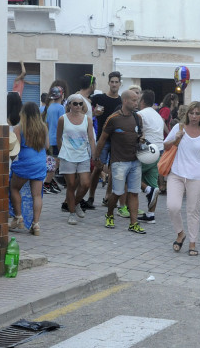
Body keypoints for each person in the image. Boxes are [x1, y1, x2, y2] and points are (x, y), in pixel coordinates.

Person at [94, 90, 146, 234]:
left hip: (135, 160)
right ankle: (109, 214)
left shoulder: (138, 117)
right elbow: (103, 140)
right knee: (117, 193)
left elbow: (141, 134)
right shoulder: (113, 118)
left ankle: (133, 223)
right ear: (125, 101)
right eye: (134, 100)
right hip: (118, 162)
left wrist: (141, 139)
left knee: (134, 192)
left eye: (137, 100)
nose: (136, 103)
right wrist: (97, 159)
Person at [165, 102, 200, 256]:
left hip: (197, 176)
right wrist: (175, 139)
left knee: (193, 210)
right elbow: (165, 147)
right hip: (176, 174)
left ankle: (192, 243)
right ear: (187, 114)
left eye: (197, 113)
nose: (194, 116)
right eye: (192, 113)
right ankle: (180, 233)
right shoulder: (179, 128)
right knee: (173, 206)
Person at [9, 102, 48, 236]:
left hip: (24, 164)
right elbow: (47, 145)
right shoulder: (43, 127)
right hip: (39, 163)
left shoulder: (19, 128)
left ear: (23, 114)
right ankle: (36, 225)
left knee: (14, 188)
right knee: (36, 195)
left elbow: (16, 148)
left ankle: (18, 217)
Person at [57, 94, 96, 225]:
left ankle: (76, 202)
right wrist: (62, 151)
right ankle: (72, 212)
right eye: (75, 103)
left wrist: (94, 155)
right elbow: (58, 137)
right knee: (71, 185)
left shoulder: (87, 119)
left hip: (83, 155)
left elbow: (91, 138)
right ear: (69, 105)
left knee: (85, 183)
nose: (78, 106)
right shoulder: (63, 119)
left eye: (81, 103)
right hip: (67, 155)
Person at [87, 71, 123, 208]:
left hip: (116, 140)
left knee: (114, 170)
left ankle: (108, 196)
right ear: (108, 83)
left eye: (116, 82)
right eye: (112, 82)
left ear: (120, 84)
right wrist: (93, 114)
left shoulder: (121, 101)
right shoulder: (99, 98)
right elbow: (84, 105)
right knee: (98, 168)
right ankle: (91, 196)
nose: (114, 84)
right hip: (102, 138)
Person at [137, 90, 165, 224]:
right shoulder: (157, 115)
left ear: (142, 101)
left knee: (129, 176)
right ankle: (150, 214)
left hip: (146, 150)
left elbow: (137, 132)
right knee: (153, 182)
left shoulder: (141, 114)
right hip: (158, 151)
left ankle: (147, 190)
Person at [41, 85, 65, 194]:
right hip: (57, 139)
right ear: (62, 95)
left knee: (51, 162)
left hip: (49, 139)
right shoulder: (61, 108)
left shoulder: (50, 107)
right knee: (55, 164)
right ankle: (46, 184)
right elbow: (63, 123)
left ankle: (49, 182)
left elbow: (47, 123)